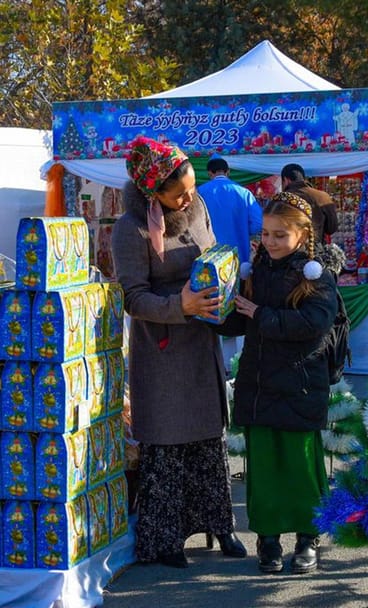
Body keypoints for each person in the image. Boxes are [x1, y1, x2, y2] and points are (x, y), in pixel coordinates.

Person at [111, 136, 246, 568]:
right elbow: (132, 297)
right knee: (168, 445)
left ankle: (220, 526)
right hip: (163, 350)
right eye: (177, 193)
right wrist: (179, 306)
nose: (187, 197)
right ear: (153, 193)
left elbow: (214, 253)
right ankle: (166, 539)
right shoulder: (130, 228)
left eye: (190, 186)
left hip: (203, 341)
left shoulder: (199, 205)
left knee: (209, 439)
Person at [219, 191, 340, 574]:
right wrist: (218, 308)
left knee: (302, 468)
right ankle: (267, 541)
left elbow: (313, 325)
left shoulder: (317, 276)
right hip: (258, 385)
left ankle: (308, 538)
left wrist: (260, 314)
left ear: (303, 236)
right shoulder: (254, 271)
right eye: (266, 234)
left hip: (300, 384)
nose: (270, 242)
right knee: (265, 471)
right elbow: (240, 321)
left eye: (279, 235)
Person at [197, 156, 262, 265]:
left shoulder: (200, 192)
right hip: (239, 255)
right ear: (228, 172)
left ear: (209, 173)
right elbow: (258, 224)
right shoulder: (244, 193)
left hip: (209, 256)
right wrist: (241, 230)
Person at [280, 163, 338, 244]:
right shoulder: (322, 197)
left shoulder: (280, 199)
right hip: (316, 249)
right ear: (304, 178)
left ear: (286, 180)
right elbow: (331, 228)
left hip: (287, 251)